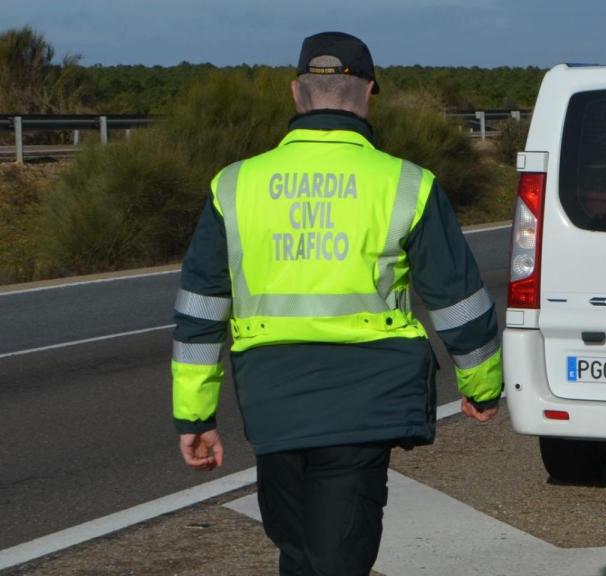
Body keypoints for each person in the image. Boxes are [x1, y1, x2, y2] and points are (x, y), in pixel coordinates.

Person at [170, 31, 502, 576]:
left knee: (299, 551)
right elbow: (459, 301)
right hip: (366, 400)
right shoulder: (407, 184)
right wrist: (482, 386)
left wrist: (195, 414)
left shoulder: (234, 185)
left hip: (273, 399)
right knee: (336, 556)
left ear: (296, 93)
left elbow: (200, 310)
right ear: (370, 91)